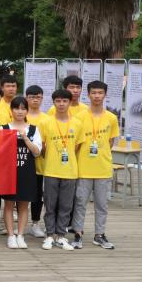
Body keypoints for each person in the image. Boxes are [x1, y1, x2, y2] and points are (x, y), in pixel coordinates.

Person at [71, 80, 119, 250]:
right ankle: (78, 234)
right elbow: (76, 144)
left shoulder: (111, 118)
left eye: (100, 93)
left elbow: (110, 142)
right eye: (94, 93)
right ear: (88, 94)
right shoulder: (79, 117)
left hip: (103, 168)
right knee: (80, 203)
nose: (97, 96)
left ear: (105, 95)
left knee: (102, 205)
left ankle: (100, 234)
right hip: (83, 168)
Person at [42, 89, 82, 251]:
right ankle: (49, 235)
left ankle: (61, 235)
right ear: (53, 103)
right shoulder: (46, 122)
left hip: (70, 171)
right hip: (51, 170)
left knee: (66, 206)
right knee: (50, 205)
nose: (61, 104)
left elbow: (77, 147)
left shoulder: (77, 123)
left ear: (70, 102)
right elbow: (42, 146)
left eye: (64, 101)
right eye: (58, 101)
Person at [2, 96, 42, 250]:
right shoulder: (3, 128)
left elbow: (37, 152)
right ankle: (10, 235)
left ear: (27, 111)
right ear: (11, 110)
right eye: (16, 108)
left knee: (24, 205)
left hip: (27, 172)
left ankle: (20, 235)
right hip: (9, 173)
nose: (20, 111)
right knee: (8, 204)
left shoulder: (33, 129)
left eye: (23, 108)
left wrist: (25, 138)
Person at [25, 85, 49, 238]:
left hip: (39, 164)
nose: (35, 100)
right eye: (32, 97)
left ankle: (35, 223)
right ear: (26, 98)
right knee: (20, 195)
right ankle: (19, 224)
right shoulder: (21, 115)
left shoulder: (47, 119)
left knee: (37, 196)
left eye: (38, 97)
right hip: (22, 163)